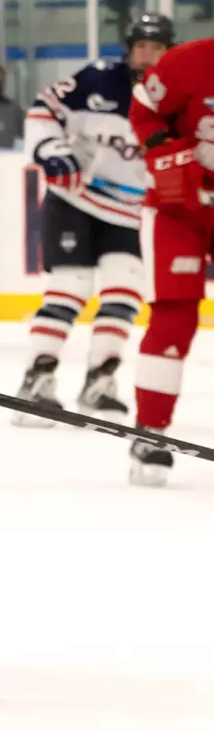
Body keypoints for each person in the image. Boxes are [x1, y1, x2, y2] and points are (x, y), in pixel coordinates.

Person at [13, 13, 173, 431]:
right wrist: (50, 149)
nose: (148, 55)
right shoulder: (99, 79)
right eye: (141, 46)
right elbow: (43, 110)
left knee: (126, 287)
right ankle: (36, 378)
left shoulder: (178, 98)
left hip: (132, 211)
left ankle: (100, 382)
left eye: (157, 48)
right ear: (129, 48)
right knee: (71, 286)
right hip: (75, 199)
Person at [127, 33, 214, 486]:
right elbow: (144, 107)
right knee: (174, 317)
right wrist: (163, 148)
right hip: (179, 207)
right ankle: (150, 431)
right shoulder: (189, 61)